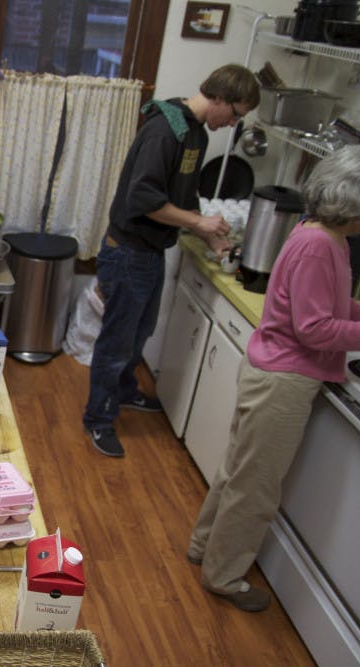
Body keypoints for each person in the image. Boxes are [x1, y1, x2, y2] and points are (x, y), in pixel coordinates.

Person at [188, 145, 360, 612]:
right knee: (257, 487)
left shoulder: (322, 236)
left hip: (272, 372)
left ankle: (204, 547)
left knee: (238, 472)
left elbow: (337, 308)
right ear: (357, 195)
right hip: (283, 382)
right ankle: (224, 577)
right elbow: (315, 329)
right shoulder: (317, 244)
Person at [83, 63, 260, 458]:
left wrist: (208, 234)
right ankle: (97, 418)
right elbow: (143, 200)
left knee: (140, 333)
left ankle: (126, 392)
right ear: (219, 97)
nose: (233, 123)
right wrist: (198, 221)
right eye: (235, 114)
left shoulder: (193, 132)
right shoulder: (164, 131)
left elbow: (183, 195)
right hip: (128, 252)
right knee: (116, 343)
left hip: (149, 253)